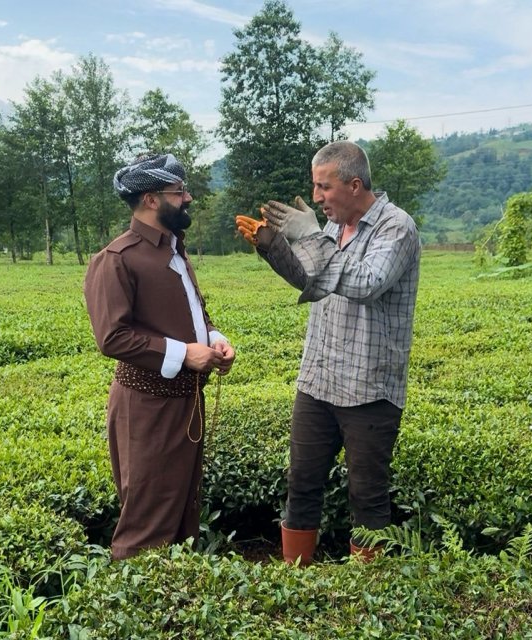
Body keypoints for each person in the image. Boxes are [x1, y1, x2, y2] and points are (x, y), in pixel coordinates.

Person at [244, 141, 420, 565]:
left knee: (367, 494)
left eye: (324, 187)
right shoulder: (332, 229)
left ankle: (368, 586)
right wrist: (273, 247)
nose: (317, 197)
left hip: (369, 387)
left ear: (354, 185)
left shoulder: (396, 228)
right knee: (301, 483)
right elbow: (313, 279)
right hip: (318, 379)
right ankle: (296, 576)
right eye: (315, 186)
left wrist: (310, 236)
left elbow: (366, 283)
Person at [84, 153, 236, 560]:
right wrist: (184, 354)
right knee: (148, 521)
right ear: (151, 199)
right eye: (179, 191)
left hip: (186, 401)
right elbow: (112, 337)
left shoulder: (174, 249)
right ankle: (134, 594)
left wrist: (214, 339)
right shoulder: (116, 259)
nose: (188, 198)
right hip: (147, 408)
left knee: (184, 509)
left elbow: (191, 313)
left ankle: (178, 591)